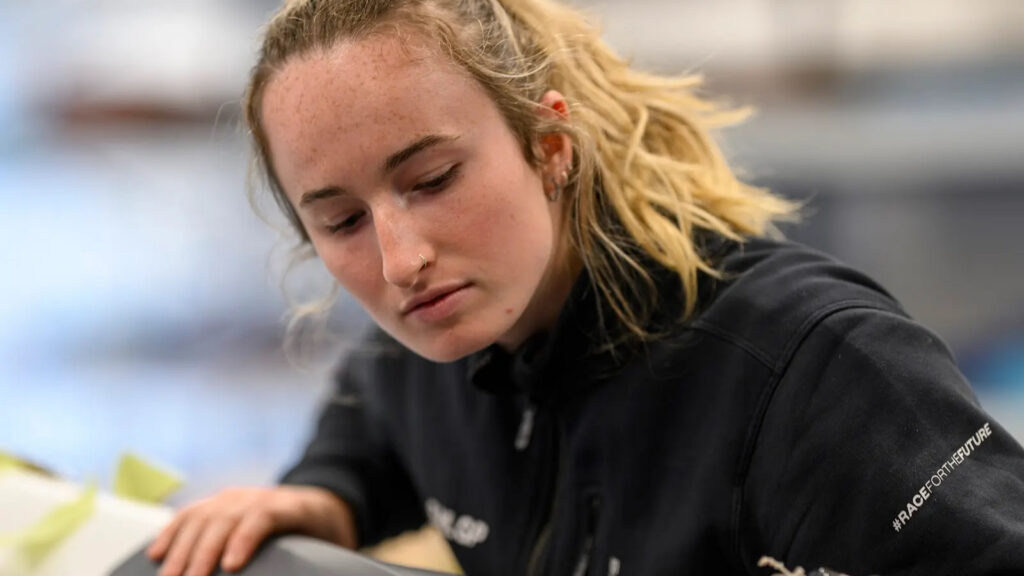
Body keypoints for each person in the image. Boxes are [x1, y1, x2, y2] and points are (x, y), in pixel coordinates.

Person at [147, 0, 1024, 574]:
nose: (400, 259)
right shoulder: (432, 345)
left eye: (433, 180)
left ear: (550, 148)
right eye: (342, 222)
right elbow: (370, 427)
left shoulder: (816, 367)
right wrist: (323, 495)